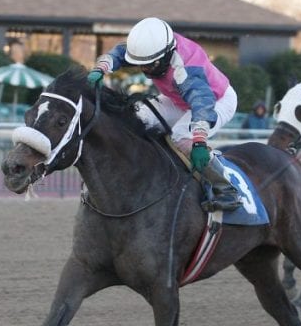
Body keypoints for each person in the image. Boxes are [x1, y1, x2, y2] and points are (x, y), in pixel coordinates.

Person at [87, 17, 242, 211]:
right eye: (141, 65)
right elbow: (120, 53)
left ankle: (226, 189)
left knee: (182, 136)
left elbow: (202, 104)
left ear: (165, 56)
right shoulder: (154, 46)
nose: (144, 70)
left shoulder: (186, 70)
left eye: (149, 65)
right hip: (179, 98)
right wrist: (100, 69)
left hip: (216, 100)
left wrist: (199, 141)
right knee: (136, 117)